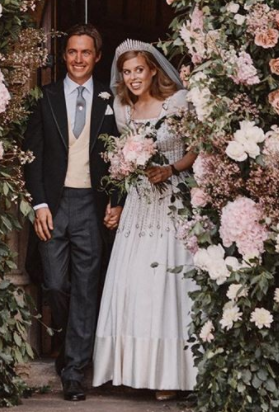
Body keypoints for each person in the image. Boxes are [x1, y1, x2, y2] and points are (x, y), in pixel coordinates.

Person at [92, 39, 198, 401]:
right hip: (139, 205)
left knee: (167, 286)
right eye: (127, 72)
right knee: (135, 283)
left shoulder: (178, 103)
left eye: (139, 70)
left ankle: (171, 374)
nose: (133, 77)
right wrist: (117, 201)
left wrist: (170, 168)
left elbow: (195, 147)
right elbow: (122, 166)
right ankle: (133, 369)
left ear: (153, 69)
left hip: (172, 201)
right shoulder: (124, 109)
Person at [24, 24, 121, 403]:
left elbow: (119, 158)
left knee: (85, 287)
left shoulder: (108, 100)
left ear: (97, 57)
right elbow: (32, 156)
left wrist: (115, 199)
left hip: (90, 205)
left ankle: (75, 371)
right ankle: (67, 344)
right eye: (72, 52)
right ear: (64, 56)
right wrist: (39, 204)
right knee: (55, 284)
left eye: (85, 53)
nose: (78, 59)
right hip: (54, 203)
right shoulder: (45, 97)